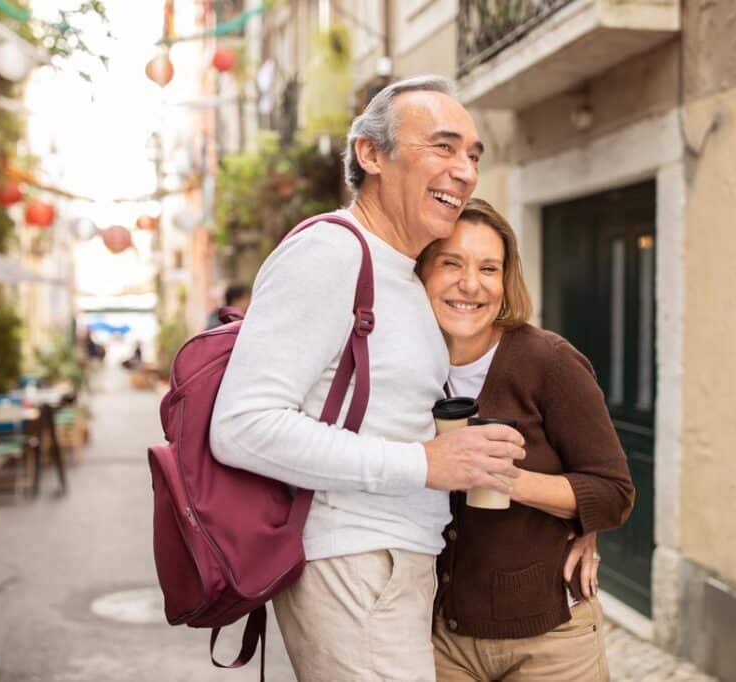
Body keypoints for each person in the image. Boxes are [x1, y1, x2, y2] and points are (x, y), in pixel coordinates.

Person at [210, 75, 526, 681]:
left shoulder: (403, 272)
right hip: (354, 562)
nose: (464, 170)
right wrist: (425, 464)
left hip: (393, 565)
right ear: (371, 154)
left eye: (472, 155)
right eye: (443, 146)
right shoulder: (332, 253)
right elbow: (243, 426)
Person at [416, 198, 635, 681]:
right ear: (422, 272)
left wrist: (502, 478)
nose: (470, 284)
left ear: (505, 281)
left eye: (488, 268)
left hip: (550, 641)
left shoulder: (548, 362)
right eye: (451, 262)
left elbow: (613, 492)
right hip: (438, 641)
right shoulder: (404, 364)